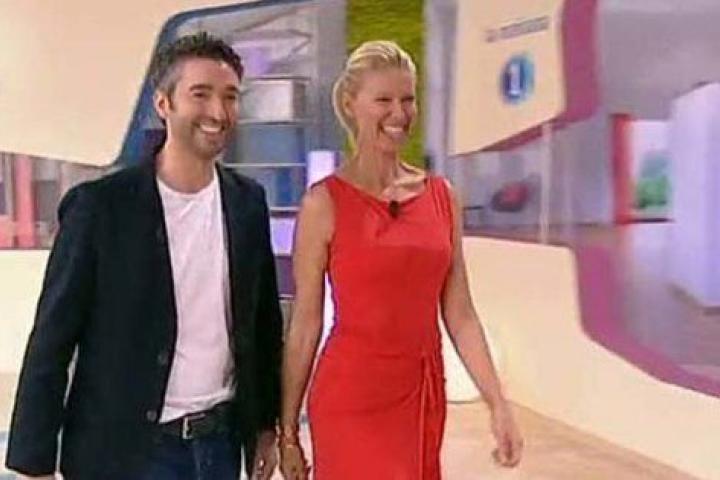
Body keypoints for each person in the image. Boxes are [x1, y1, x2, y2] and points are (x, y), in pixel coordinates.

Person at [5, 32, 282, 480]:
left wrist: (265, 425)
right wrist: (33, 462)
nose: (218, 112)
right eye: (200, 94)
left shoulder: (247, 202)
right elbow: (53, 338)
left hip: (218, 447)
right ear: (163, 104)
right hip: (126, 453)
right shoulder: (101, 207)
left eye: (230, 96)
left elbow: (263, 324)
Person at [278, 40, 523, 479]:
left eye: (408, 99)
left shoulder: (442, 197)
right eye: (384, 100)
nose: (399, 113)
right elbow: (305, 324)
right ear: (351, 105)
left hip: (421, 396)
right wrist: (289, 432)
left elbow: (460, 313)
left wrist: (497, 403)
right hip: (351, 398)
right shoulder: (323, 204)